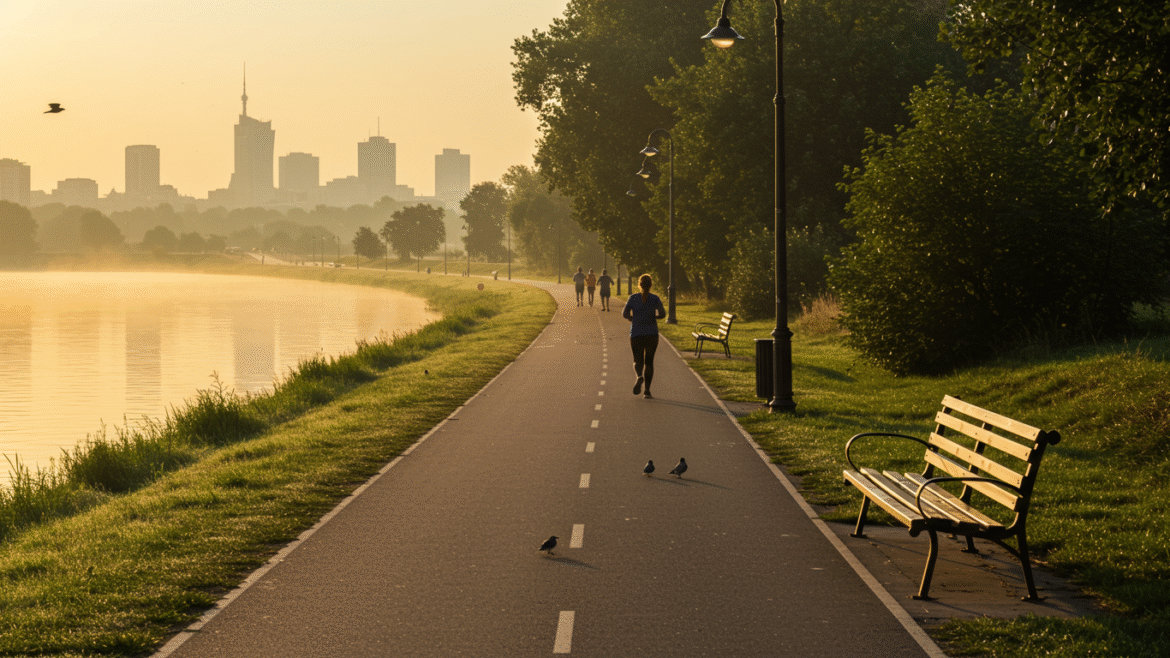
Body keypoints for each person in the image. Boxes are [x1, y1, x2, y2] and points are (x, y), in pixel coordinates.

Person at [622, 274, 666, 399]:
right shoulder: (655, 298)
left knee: (637, 360)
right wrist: (655, 317)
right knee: (649, 362)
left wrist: (633, 319)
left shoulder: (633, 298)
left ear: (639, 285)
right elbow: (662, 314)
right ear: (650, 285)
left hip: (636, 333)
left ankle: (639, 376)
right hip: (652, 334)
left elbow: (624, 313)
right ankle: (647, 391)